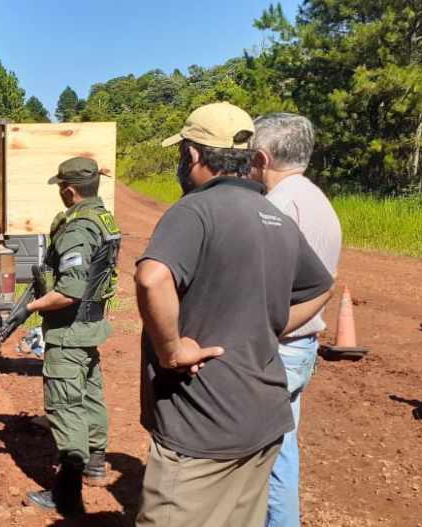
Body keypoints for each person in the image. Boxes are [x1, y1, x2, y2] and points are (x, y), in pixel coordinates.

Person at [134, 102, 334, 527]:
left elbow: (152, 279)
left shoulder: (194, 210)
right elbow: (320, 287)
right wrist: (270, 326)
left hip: (202, 424)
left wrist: (171, 349)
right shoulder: (276, 218)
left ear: (193, 155)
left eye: (183, 153)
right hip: (261, 419)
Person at [9, 157, 122, 515]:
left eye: (61, 187)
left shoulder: (77, 228)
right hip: (89, 326)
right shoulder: (103, 218)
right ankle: (95, 464)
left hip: (69, 330)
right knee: (90, 395)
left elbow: (70, 291)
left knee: (65, 405)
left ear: (68, 190)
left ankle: (67, 493)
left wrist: (27, 310)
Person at [251, 113, 343, 527]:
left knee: (256, 456)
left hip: (277, 345)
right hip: (302, 345)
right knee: (282, 453)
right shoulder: (316, 199)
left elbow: (261, 290)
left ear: (262, 157)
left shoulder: (275, 207)